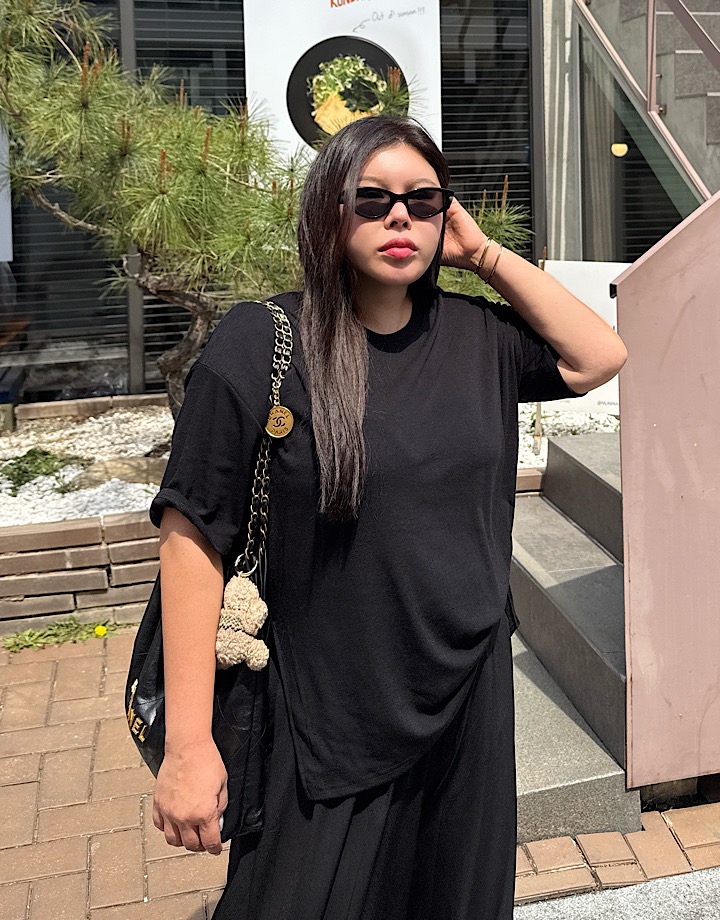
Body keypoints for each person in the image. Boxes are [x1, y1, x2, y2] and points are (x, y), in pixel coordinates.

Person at [148, 115, 627, 920]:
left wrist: (484, 255)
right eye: (371, 200)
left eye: (422, 200)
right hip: (328, 706)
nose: (398, 217)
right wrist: (189, 746)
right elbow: (193, 535)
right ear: (327, 211)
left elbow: (598, 356)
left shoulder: (477, 335)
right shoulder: (262, 343)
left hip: (467, 690)